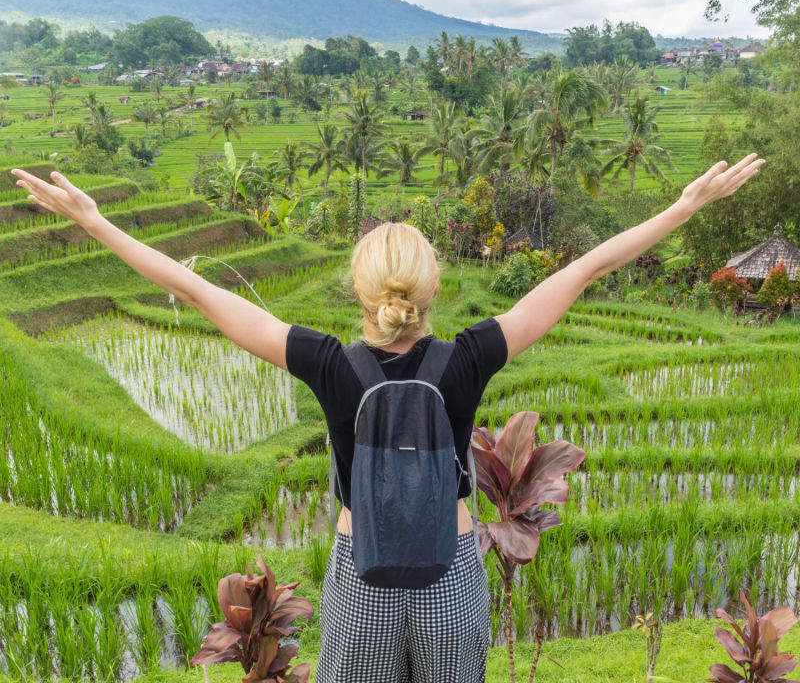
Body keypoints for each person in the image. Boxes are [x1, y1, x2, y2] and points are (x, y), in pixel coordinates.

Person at [11, 153, 764, 681]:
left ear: (359, 293)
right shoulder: (470, 357)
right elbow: (585, 268)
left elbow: (201, 293)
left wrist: (96, 223)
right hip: (449, 577)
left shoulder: (329, 364)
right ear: (433, 290)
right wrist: (686, 205)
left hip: (361, 578)